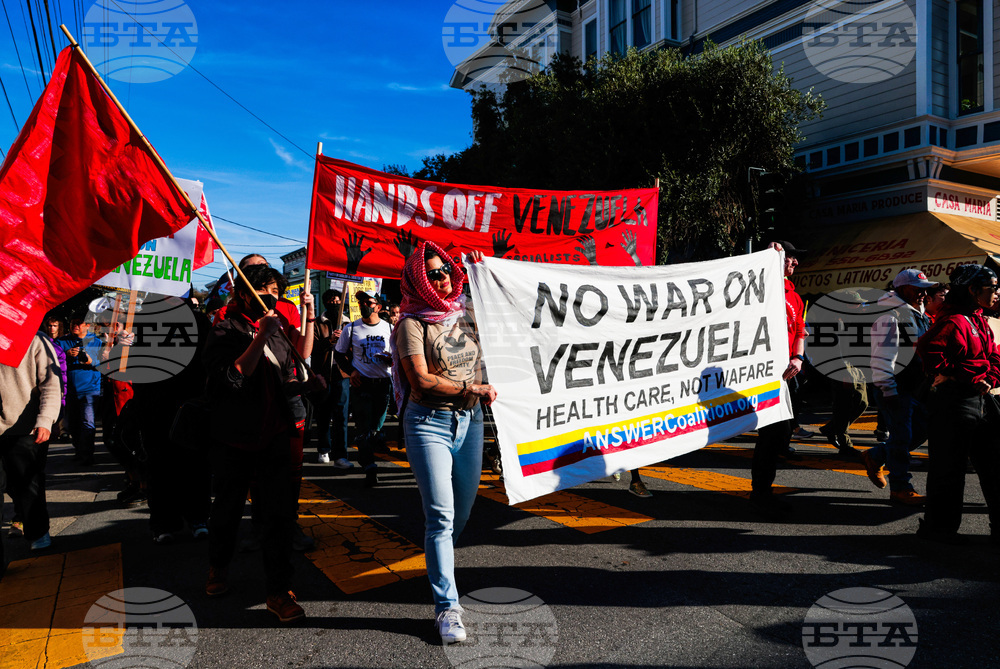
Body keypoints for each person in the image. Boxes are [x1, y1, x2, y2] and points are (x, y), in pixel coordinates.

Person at [391, 242, 497, 644]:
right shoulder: (411, 324)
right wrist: (472, 386)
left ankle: (439, 564)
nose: (442, 278)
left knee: (464, 512)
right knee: (441, 515)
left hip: (470, 420)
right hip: (428, 423)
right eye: (432, 273)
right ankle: (447, 607)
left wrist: (488, 277)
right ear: (419, 279)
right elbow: (419, 380)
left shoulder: (466, 313)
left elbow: (506, 317)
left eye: (446, 271)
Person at [202, 263, 304, 622]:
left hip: (273, 433)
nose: (272, 299)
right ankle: (218, 566)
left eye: (277, 292)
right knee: (227, 510)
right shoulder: (224, 329)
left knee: (278, 516)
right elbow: (232, 378)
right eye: (264, 292)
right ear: (244, 294)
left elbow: (291, 366)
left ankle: (279, 591)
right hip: (233, 437)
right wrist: (260, 336)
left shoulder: (277, 327)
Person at [915, 264, 1000, 544]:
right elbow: (928, 349)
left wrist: (988, 377)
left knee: (993, 466)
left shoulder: (979, 320)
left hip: (982, 402)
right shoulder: (954, 321)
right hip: (953, 403)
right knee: (948, 470)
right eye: (993, 288)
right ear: (974, 291)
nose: (998, 293)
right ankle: (939, 531)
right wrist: (960, 374)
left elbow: (995, 357)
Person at [863, 269, 935, 505]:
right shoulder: (890, 316)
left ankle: (876, 455)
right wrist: (888, 389)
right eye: (917, 288)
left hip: (916, 388)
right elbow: (882, 356)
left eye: (925, 289)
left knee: (919, 431)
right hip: (897, 389)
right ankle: (901, 488)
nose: (923, 293)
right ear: (903, 289)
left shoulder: (917, 313)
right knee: (902, 437)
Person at [750, 241, 808, 516]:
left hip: (787, 376)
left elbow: (800, 332)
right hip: (761, 374)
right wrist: (765, 255)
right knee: (774, 432)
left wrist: (798, 358)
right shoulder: (761, 285)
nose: (795, 262)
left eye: (796, 259)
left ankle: (762, 490)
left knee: (780, 433)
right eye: (789, 258)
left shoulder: (795, 296)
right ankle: (760, 493)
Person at [0, 333, 61, 566]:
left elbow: (51, 383)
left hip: (24, 428)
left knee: (27, 485)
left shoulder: (34, 338)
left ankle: (37, 530)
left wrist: (46, 420)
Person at [335, 290, 392, 487]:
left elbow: (399, 356)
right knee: (363, 426)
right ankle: (369, 465)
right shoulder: (351, 329)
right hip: (362, 385)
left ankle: (370, 446)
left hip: (383, 384)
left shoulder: (390, 328)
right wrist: (352, 372)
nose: (364, 306)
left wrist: (391, 360)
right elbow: (339, 354)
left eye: (368, 302)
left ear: (378, 307)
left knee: (375, 427)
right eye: (360, 303)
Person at [312, 289, 353, 468]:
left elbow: (353, 348)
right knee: (323, 413)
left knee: (341, 416)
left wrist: (343, 340)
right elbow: (312, 346)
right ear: (325, 303)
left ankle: (341, 454)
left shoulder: (348, 324)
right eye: (331, 301)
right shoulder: (317, 323)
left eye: (338, 301)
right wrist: (329, 340)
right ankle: (323, 448)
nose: (335, 303)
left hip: (341, 374)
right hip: (322, 373)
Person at [55, 317, 103, 465]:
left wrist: (90, 360)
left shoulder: (97, 342)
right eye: (72, 323)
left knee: (87, 422)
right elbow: (52, 359)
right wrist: (66, 355)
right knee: (74, 423)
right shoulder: (62, 342)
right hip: (69, 389)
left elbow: (105, 363)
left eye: (78, 323)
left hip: (90, 388)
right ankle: (78, 451)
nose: (74, 326)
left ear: (87, 325)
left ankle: (88, 455)